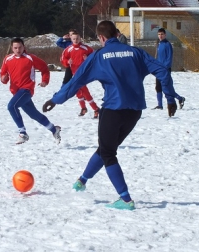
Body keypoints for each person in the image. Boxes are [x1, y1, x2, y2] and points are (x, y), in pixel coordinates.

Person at [42, 20, 179, 211]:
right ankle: (82, 180)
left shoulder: (99, 56)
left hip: (113, 111)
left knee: (107, 152)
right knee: (107, 147)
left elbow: (76, 81)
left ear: (101, 37)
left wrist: (56, 99)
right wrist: (170, 98)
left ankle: (125, 199)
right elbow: (163, 71)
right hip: (134, 112)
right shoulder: (135, 52)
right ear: (116, 33)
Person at [0, 37, 61, 145]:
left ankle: (22, 133)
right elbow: (3, 74)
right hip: (16, 91)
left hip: (26, 89)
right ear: (11, 48)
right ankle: (53, 129)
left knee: (11, 106)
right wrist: (3, 79)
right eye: (15, 48)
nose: (18, 50)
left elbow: (44, 68)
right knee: (34, 114)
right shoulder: (7, 59)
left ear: (24, 47)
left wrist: (45, 81)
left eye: (20, 47)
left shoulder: (30, 58)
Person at [60, 32, 100, 118]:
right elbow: (63, 58)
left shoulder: (85, 48)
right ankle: (84, 108)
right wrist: (67, 62)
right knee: (77, 90)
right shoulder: (68, 49)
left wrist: (88, 59)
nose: (76, 40)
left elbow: (94, 56)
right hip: (74, 72)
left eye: (77, 38)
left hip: (83, 73)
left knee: (84, 90)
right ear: (71, 39)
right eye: (74, 39)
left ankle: (96, 108)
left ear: (80, 38)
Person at [153, 28, 185, 110]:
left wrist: (165, 68)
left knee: (166, 88)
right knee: (158, 87)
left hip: (165, 70)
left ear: (165, 35)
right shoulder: (159, 44)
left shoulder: (167, 44)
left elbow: (169, 58)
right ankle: (160, 105)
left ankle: (180, 98)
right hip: (158, 70)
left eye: (162, 34)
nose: (160, 36)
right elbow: (158, 57)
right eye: (159, 34)